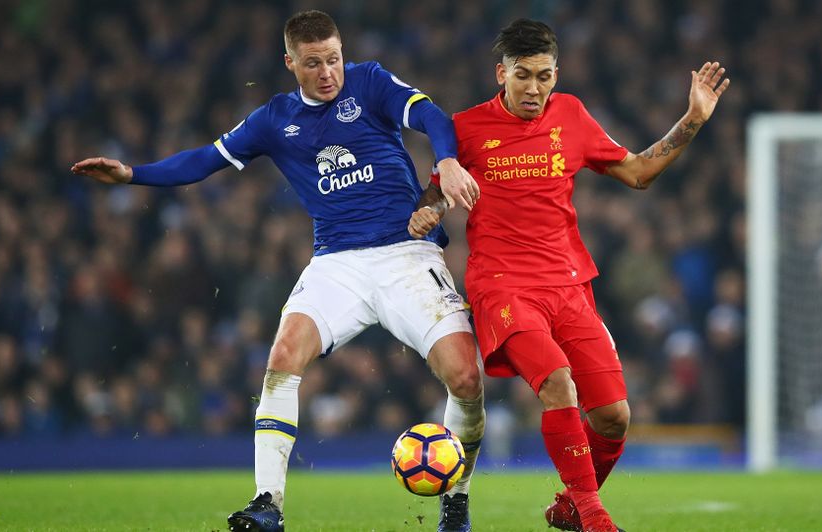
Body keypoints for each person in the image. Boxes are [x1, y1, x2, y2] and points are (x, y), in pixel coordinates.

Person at [72, 10, 485, 532]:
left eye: (333, 59)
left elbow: (431, 116)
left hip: (406, 254)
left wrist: (445, 161)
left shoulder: (371, 81)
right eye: (313, 64)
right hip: (335, 263)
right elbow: (204, 160)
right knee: (283, 356)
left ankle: (456, 500)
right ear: (290, 63)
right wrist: (133, 174)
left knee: (466, 377)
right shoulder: (273, 119)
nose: (328, 72)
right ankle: (268, 503)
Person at [409, 19, 729, 532]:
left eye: (544, 76)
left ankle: (568, 507)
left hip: (570, 287)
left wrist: (692, 117)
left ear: (556, 73)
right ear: (501, 73)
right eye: (523, 76)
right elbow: (433, 193)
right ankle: (595, 518)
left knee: (615, 418)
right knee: (558, 382)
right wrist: (427, 210)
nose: (534, 88)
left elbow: (640, 172)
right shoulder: (465, 128)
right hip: (503, 287)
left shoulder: (572, 115)